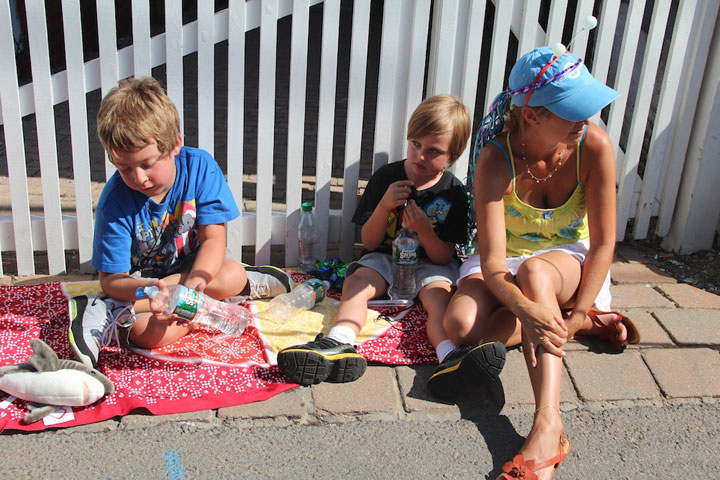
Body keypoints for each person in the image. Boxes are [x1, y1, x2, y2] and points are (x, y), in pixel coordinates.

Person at [435, 47, 640, 480]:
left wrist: (581, 306)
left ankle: (548, 425)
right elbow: (492, 264)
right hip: (505, 259)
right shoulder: (495, 158)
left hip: (566, 261)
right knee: (461, 327)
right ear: (533, 116)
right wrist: (527, 310)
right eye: (573, 110)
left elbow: (604, 243)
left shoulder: (594, 145)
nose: (588, 118)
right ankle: (569, 324)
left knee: (535, 274)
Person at [68, 77, 292, 368]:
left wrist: (196, 283)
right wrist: (153, 291)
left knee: (234, 274)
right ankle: (101, 309)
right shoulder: (115, 203)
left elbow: (213, 240)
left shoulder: (200, 168)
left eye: (147, 164)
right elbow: (111, 279)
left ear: (175, 143)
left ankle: (216, 298)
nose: (139, 178)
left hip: (190, 273)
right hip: (142, 289)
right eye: (124, 168)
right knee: (142, 334)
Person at [276, 94, 478, 386]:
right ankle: (340, 341)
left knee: (438, 298)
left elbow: (442, 257)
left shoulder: (454, 194)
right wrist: (384, 206)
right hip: (384, 256)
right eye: (415, 144)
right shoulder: (388, 177)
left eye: (434, 151)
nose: (420, 156)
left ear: (453, 155)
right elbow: (369, 243)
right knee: (357, 283)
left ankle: (449, 357)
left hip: (428, 265)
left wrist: (424, 229)